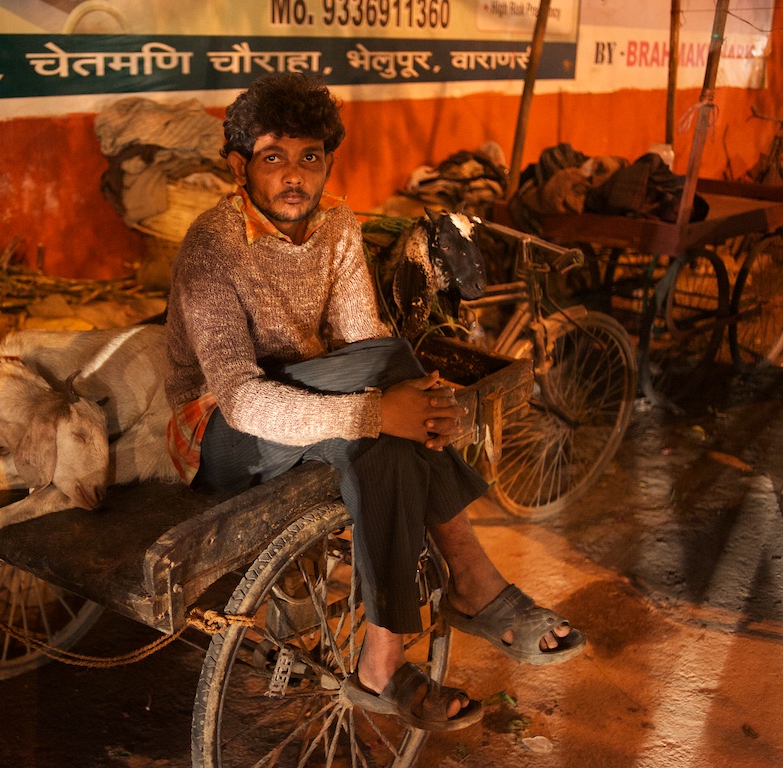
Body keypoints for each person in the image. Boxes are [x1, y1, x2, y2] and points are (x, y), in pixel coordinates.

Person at [164, 72, 585, 731]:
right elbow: (243, 399)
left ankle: (382, 661)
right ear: (240, 165)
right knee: (391, 389)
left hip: (312, 400)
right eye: (274, 158)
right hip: (221, 430)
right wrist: (379, 408)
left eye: (310, 158)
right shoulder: (211, 247)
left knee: (388, 440)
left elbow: (363, 338)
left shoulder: (338, 229)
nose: (295, 176)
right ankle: (475, 580)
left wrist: (412, 407)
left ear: (327, 160)